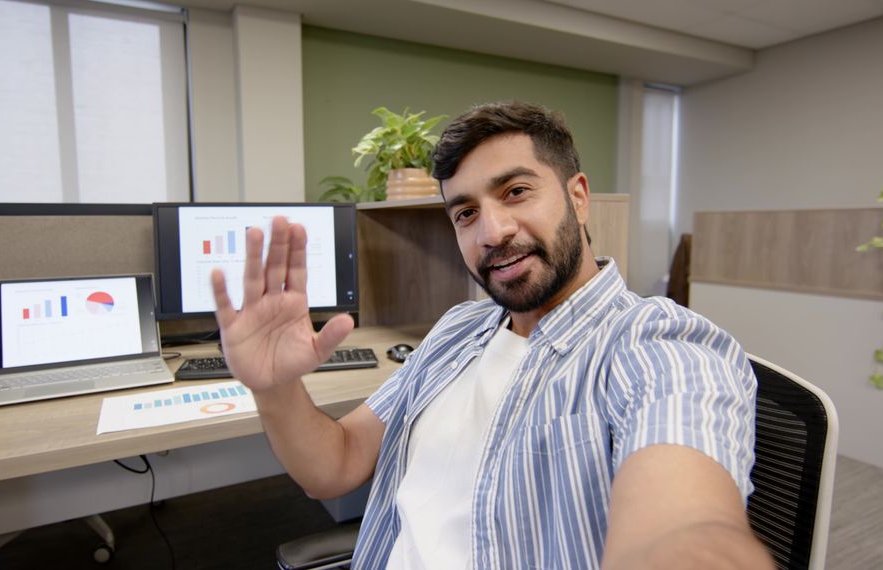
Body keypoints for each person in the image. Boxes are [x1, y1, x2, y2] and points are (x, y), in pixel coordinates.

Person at [211, 101, 773, 569]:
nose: (493, 233)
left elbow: (684, 528)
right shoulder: (460, 329)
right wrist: (275, 388)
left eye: (516, 192)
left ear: (578, 197)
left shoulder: (660, 343)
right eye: (465, 213)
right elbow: (334, 467)